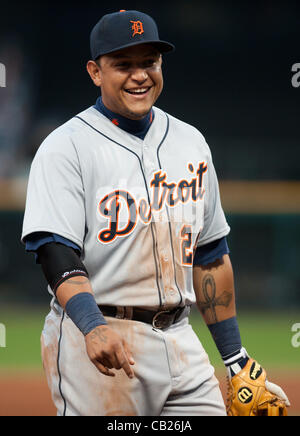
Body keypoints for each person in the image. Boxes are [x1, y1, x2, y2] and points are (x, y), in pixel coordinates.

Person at [22, 10, 289, 416]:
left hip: (181, 338)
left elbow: (211, 256)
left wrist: (235, 358)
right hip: (101, 338)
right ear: (95, 72)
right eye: (123, 64)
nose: (139, 75)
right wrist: (92, 326)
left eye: (149, 62)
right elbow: (55, 249)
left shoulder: (191, 142)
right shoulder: (66, 147)